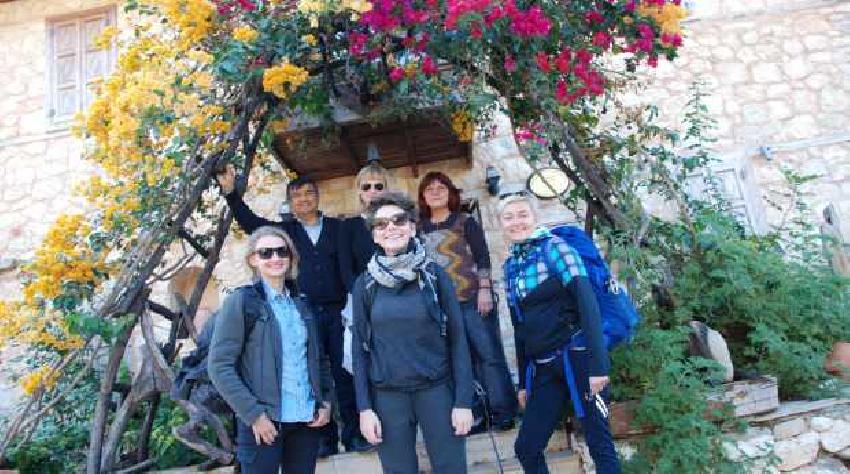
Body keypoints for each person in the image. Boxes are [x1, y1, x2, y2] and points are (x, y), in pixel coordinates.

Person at [216, 166, 370, 455]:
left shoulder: (340, 228)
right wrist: (231, 193)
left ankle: (354, 435)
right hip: (304, 313)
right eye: (297, 196)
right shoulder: (285, 233)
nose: (304, 199)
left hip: (339, 312)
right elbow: (251, 223)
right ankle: (324, 438)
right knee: (311, 372)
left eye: (309, 193)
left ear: (317, 197)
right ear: (290, 202)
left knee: (345, 372)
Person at [351, 192, 475, 473]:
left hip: (437, 390)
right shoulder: (365, 284)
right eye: (381, 224)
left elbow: (458, 340)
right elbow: (359, 349)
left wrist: (463, 401)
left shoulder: (434, 276)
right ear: (374, 235)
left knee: (451, 468)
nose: (391, 228)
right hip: (387, 397)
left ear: (411, 226)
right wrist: (364, 409)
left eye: (398, 220)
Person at [498, 194, 621, 474]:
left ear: (535, 217)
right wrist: (523, 382)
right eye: (508, 217)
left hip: (579, 358)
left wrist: (599, 366)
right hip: (545, 368)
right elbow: (520, 326)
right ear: (501, 223)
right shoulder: (510, 266)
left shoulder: (556, 248)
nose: (516, 222)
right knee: (527, 448)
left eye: (522, 214)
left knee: (599, 444)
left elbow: (587, 304)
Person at [208, 226, 333, 473]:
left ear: (291, 257)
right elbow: (219, 366)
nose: (275, 258)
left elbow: (318, 359)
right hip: (264, 422)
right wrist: (254, 415)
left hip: (305, 420)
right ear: (253, 260)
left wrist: (326, 401)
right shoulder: (242, 302)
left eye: (281, 251)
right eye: (266, 253)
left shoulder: (301, 303)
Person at [417, 172, 517, 431]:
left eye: (441, 187)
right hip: (441, 309)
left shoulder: (465, 221)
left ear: (450, 193)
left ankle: (503, 412)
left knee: (489, 356)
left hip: (473, 299)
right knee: (458, 363)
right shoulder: (417, 230)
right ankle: (475, 416)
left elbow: (483, 257)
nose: (435, 192)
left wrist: (485, 289)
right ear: (423, 197)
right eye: (430, 189)